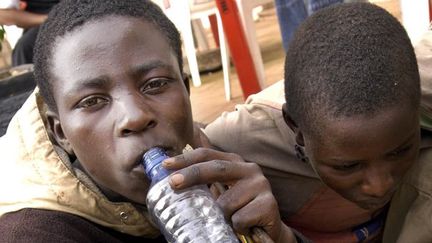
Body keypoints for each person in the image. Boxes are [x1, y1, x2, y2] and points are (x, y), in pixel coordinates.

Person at [0, 0, 297, 242]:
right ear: (60, 131)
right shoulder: (35, 234)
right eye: (92, 101)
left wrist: (281, 236)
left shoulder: (211, 165)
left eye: (154, 84)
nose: (136, 116)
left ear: (186, 89)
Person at [179, 2, 427, 242]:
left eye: (400, 151)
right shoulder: (238, 142)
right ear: (294, 127)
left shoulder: (412, 98)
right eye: (347, 167)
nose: (379, 186)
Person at [0, 0, 59, 66]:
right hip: (44, 20)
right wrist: (47, 19)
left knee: (24, 47)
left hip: (64, 10)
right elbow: (4, 16)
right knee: (23, 48)